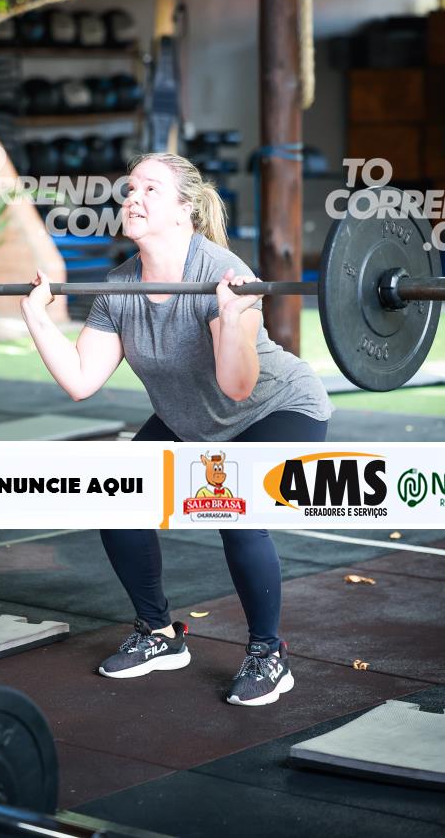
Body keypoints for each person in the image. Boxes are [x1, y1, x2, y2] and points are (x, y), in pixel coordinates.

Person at [21, 152, 332, 706]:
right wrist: (36, 316)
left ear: (185, 209)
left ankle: (269, 654)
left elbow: (237, 387)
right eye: (129, 189)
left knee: (236, 510)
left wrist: (232, 315)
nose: (132, 198)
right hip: (189, 421)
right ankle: (159, 633)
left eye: (150, 189)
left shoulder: (223, 275)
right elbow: (81, 380)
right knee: (118, 498)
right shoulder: (120, 287)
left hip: (275, 411)